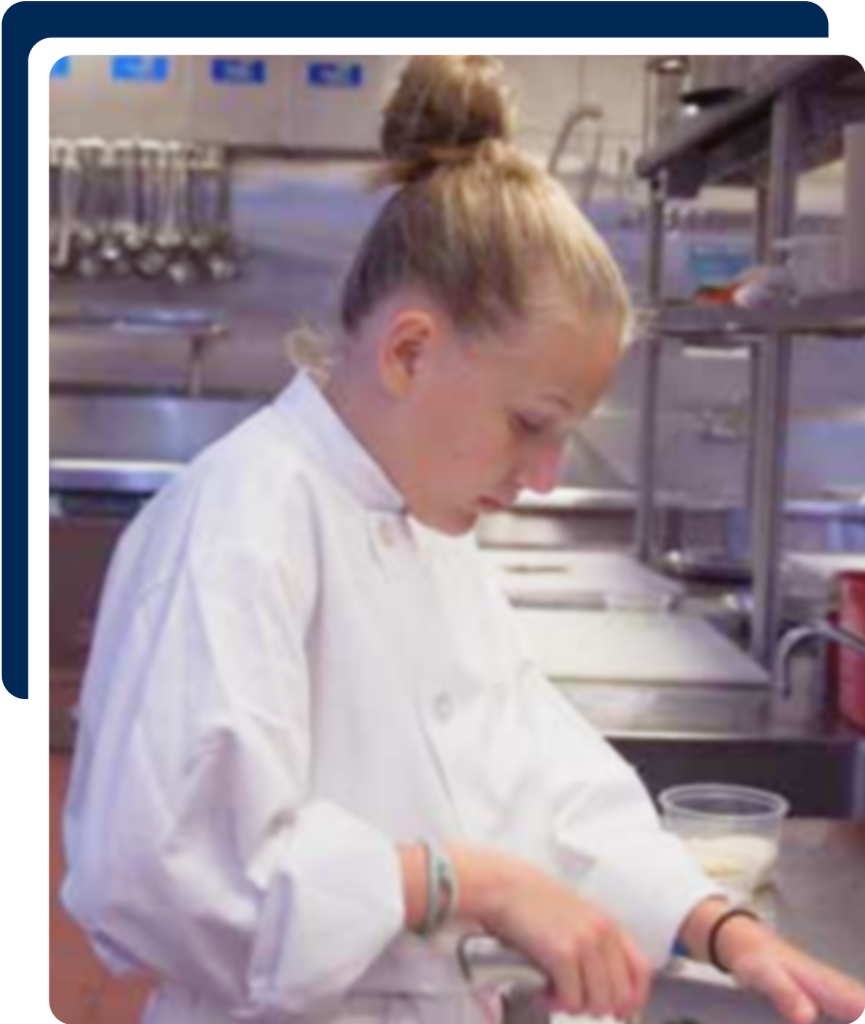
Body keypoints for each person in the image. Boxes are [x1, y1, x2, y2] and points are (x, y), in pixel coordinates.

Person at [62, 56, 865, 1024]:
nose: (543, 476)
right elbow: (167, 882)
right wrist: (463, 882)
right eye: (530, 422)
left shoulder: (422, 523)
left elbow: (537, 768)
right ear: (408, 350)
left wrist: (718, 927)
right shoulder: (238, 526)